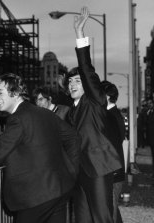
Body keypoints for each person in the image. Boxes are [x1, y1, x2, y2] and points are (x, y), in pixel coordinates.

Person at [0, 73, 81, 223]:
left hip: (37, 197)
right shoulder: (44, 113)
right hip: (59, 189)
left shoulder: (18, 118)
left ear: (15, 93)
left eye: (0, 93)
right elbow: (73, 138)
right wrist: (72, 170)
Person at [65, 7, 122, 223]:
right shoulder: (71, 111)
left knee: (102, 219)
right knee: (83, 220)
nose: (72, 84)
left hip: (98, 169)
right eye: (69, 81)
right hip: (79, 173)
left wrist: (79, 34)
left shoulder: (95, 101)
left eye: (77, 81)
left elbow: (87, 70)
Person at [101, 80, 126, 223]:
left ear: (107, 96)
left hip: (113, 170)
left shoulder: (111, 116)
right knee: (112, 208)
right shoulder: (112, 114)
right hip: (114, 169)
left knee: (110, 210)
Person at [144, 98, 154, 178]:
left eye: (151, 103)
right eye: (148, 103)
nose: (149, 104)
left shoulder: (151, 112)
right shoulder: (148, 112)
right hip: (151, 139)